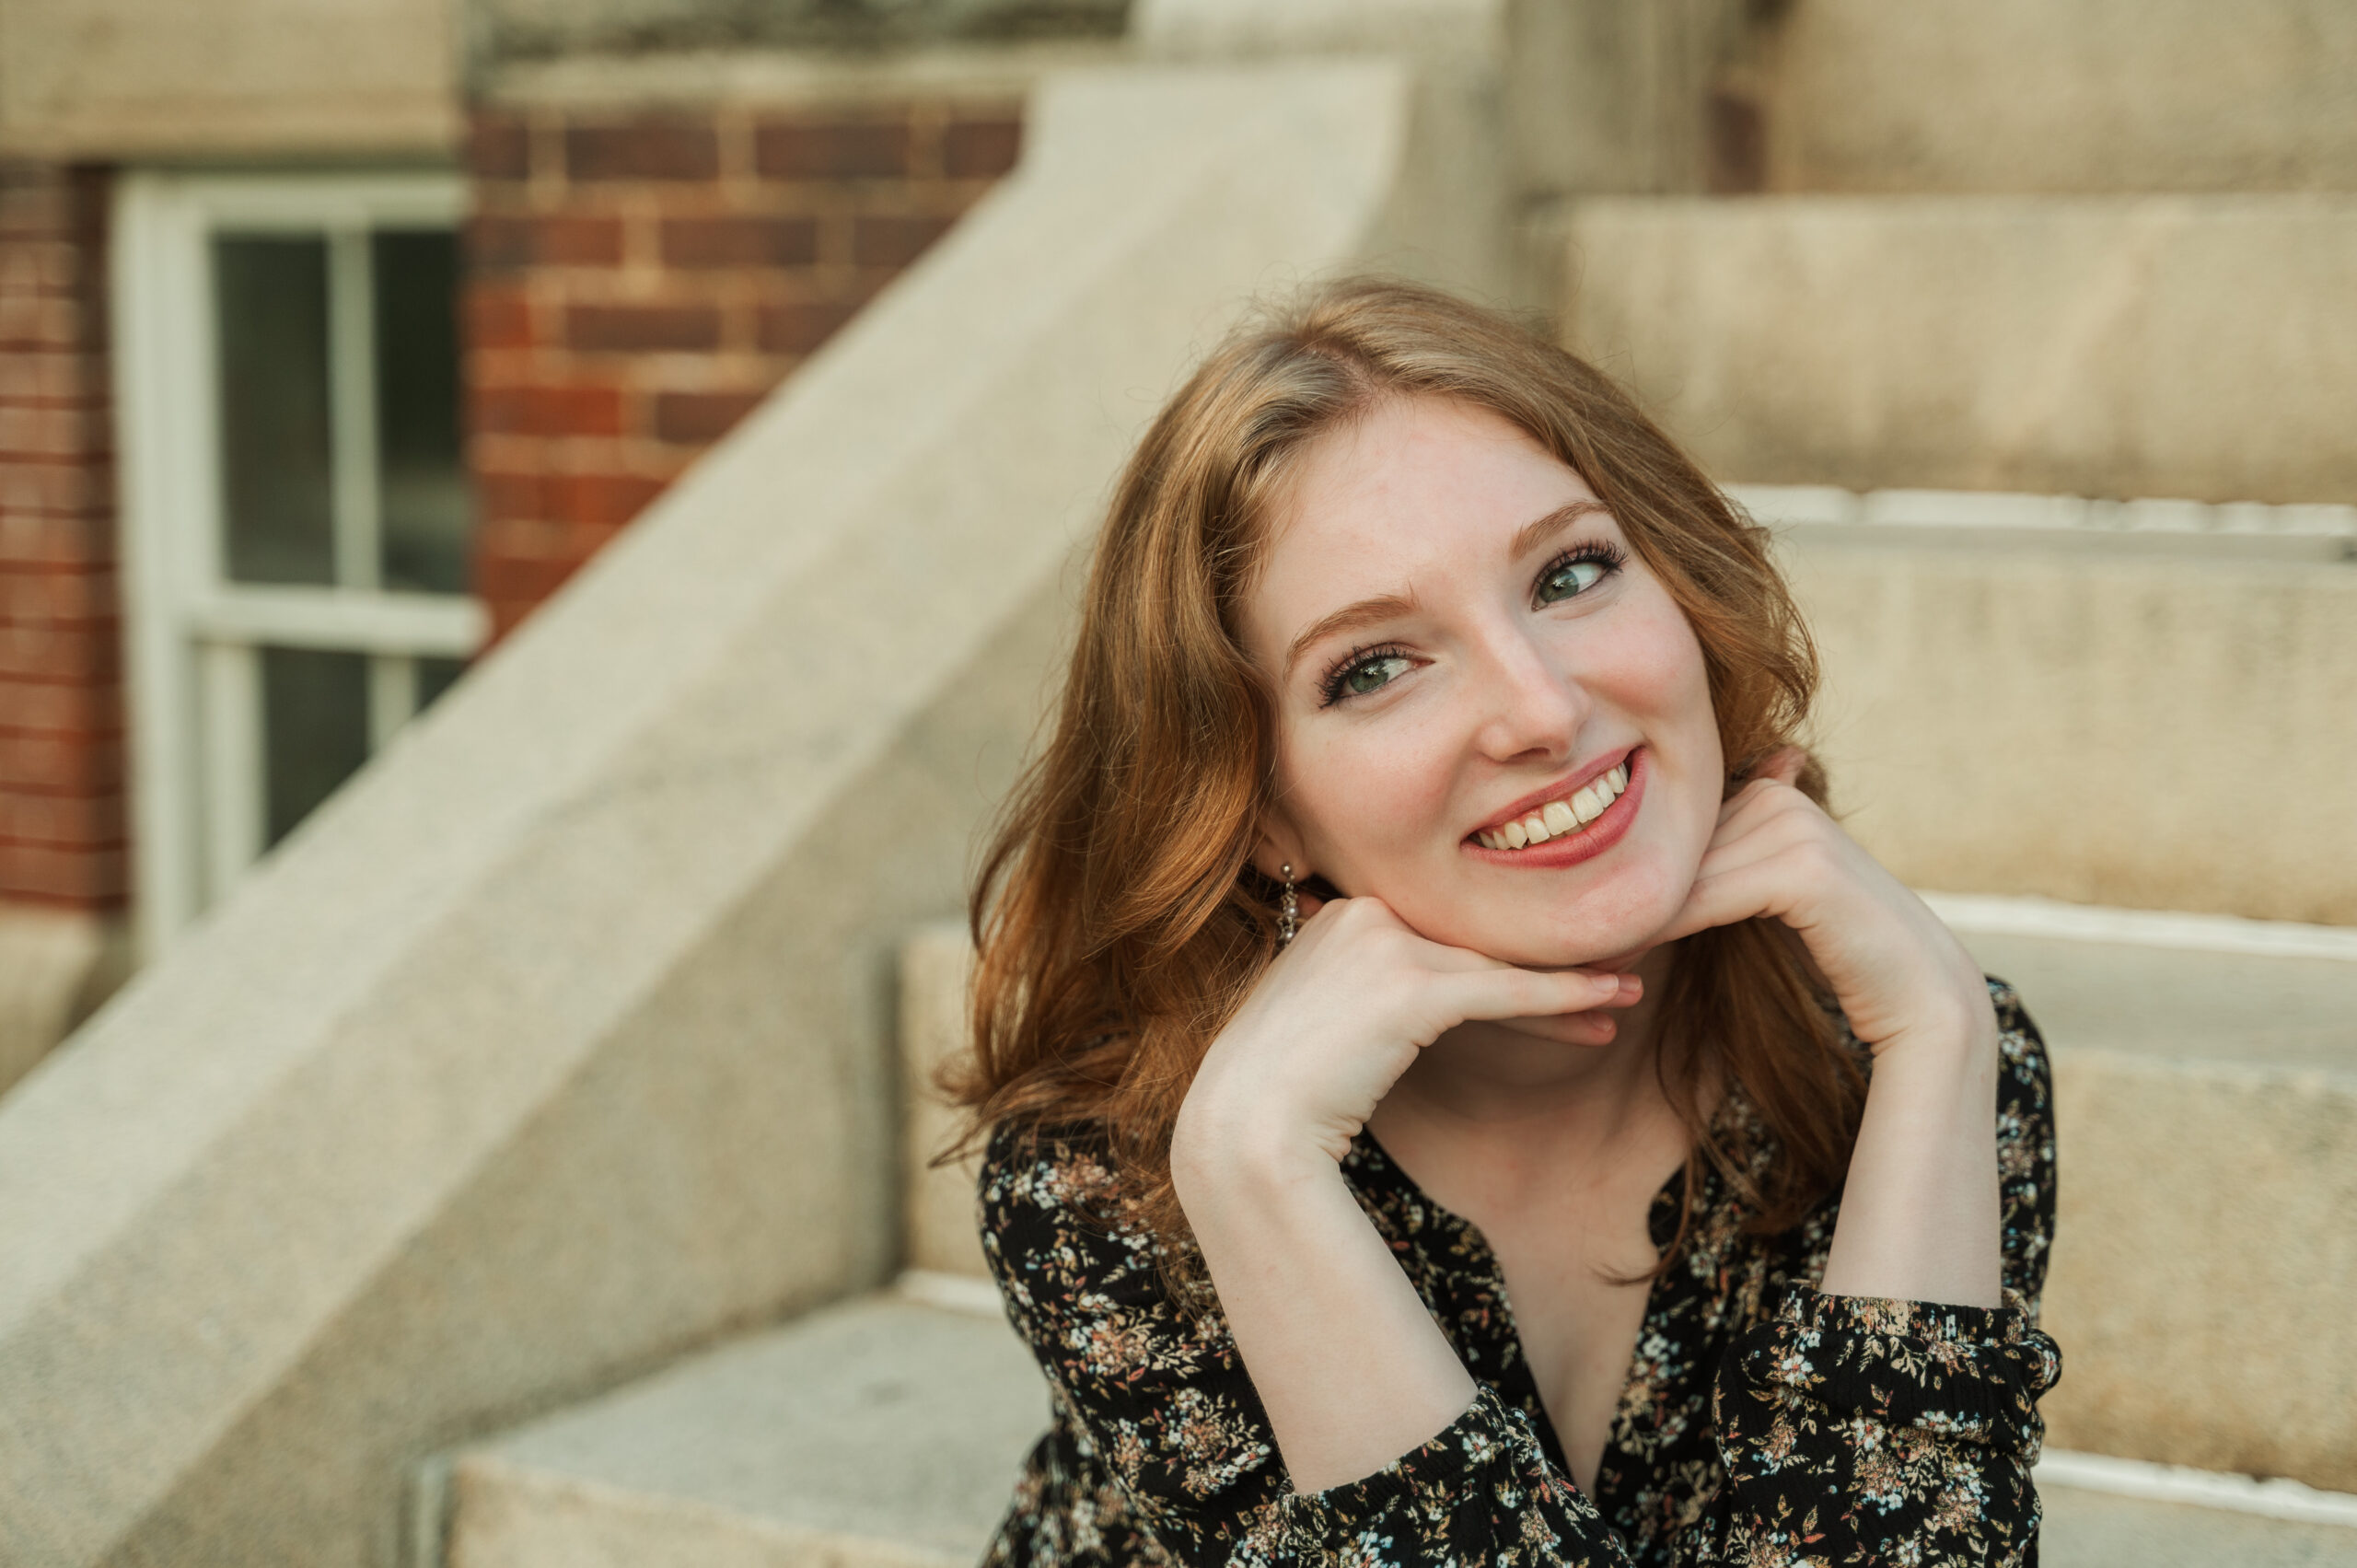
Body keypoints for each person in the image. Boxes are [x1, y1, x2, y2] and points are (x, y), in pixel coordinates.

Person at [945, 278, 2059, 1567]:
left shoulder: (1902, 1068)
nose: (1541, 708)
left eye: (1571, 573)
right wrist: (1259, 1170)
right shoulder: (1113, 1183)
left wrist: (1940, 1034)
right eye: (1375, 667)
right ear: (1257, 813)